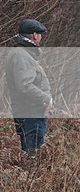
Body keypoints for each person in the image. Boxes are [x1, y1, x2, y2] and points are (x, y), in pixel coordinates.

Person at [4, 18, 53, 156]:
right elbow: (25, 86)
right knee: (33, 154)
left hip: (30, 111)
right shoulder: (22, 56)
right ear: (35, 35)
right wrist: (46, 100)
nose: (41, 38)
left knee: (33, 153)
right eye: (40, 35)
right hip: (31, 112)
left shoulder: (22, 53)